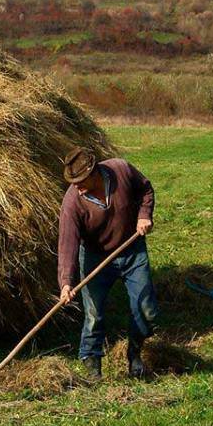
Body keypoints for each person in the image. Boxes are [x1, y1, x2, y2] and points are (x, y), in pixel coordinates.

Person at [57, 147, 157, 380]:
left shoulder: (121, 170)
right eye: (73, 181)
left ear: (94, 172)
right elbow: (67, 243)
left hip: (132, 251)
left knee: (146, 309)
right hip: (95, 256)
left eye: (80, 180)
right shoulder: (72, 203)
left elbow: (145, 189)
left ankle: (134, 353)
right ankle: (92, 367)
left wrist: (144, 214)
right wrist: (66, 282)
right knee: (93, 315)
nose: (76, 186)